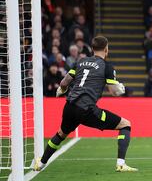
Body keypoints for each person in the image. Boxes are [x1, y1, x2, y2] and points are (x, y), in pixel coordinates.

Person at [33, 36, 138, 172]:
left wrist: (61, 90)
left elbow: (64, 83)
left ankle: (41, 163)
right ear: (106, 49)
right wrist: (121, 89)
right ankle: (121, 164)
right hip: (86, 110)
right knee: (125, 124)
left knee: (61, 134)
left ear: (92, 49)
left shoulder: (81, 61)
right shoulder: (107, 66)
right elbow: (113, 92)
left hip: (69, 106)